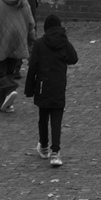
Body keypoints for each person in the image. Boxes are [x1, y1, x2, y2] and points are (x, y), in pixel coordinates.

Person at [27, 12, 78, 167]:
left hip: (43, 85)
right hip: (58, 86)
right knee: (56, 118)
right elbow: (73, 58)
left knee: (43, 117)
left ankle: (43, 146)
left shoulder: (40, 44)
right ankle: (55, 152)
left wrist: (29, 89)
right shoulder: (63, 43)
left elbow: (33, 67)